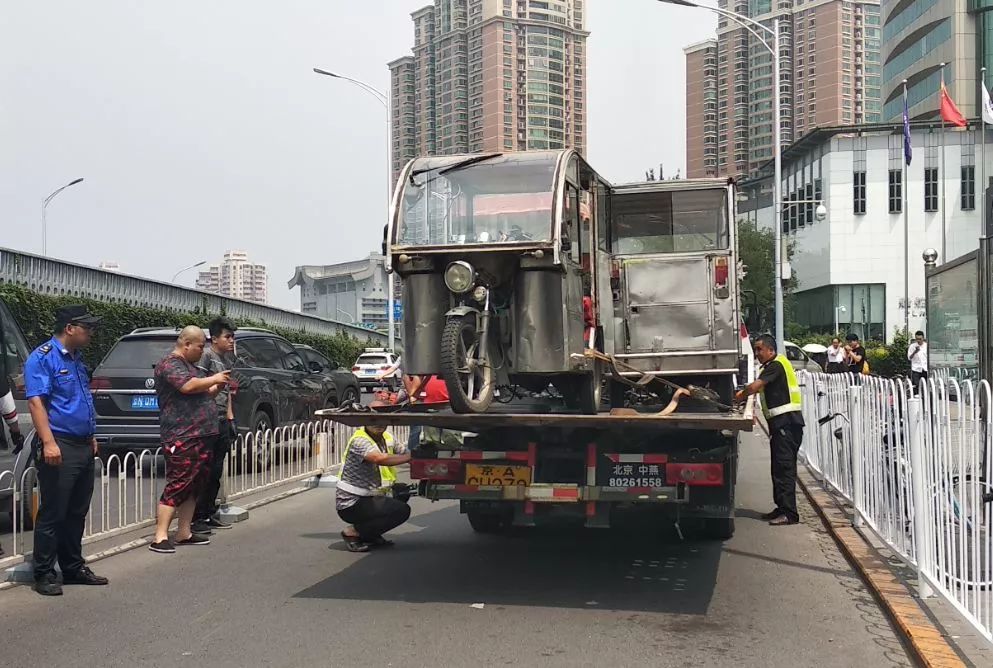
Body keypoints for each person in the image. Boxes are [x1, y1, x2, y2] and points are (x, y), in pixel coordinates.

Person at [25, 305, 109, 595]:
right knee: (53, 512)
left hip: (83, 444)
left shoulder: (77, 359)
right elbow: (36, 403)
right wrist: (48, 442)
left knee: (76, 511)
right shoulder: (42, 358)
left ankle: (72, 568)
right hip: (59, 443)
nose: (91, 334)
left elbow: (80, 400)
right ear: (70, 328)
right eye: (87, 328)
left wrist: (91, 436)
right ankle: (44, 573)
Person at [149, 326, 230, 554]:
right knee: (178, 482)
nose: (201, 350)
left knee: (194, 485)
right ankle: (160, 535)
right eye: (199, 346)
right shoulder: (170, 364)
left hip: (201, 433)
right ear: (186, 344)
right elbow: (187, 386)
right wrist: (212, 378)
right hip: (182, 434)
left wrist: (217, 385)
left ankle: (184, 531)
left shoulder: (192, 367)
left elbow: (202, 393)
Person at [735, 334, 805, 526]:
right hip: (781, 425)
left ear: (771, 350)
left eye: (759, 349)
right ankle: (781, 508)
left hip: (787, 425)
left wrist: (740, 395)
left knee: (785, 469)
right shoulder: (771, 366)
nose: (757, 353)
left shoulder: (776, 365)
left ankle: (790, 514)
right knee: (778, 469)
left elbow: (757, 386)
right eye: (755, 349)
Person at [337, 409, 412, 553]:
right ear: (365, 421)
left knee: (402, 491)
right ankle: (353, 532)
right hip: (352, 503)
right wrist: (411, 457)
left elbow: (404, 451)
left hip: (371, 495)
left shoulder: (387, 437)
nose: (379, 424)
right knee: (401, 511)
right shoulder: (360, 440)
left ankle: (370, 534)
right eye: (373, 420)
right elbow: (379, 459)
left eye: (382, 420)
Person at [192, 317, 238, 534]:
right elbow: (200, 389)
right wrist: (216, 386)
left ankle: (209, 512)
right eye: (227, 337)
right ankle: (197, 517)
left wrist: (230, 418)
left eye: (232, 337)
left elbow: (227, 392)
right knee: (205, 471)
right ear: (215, 338)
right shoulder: (206, 357)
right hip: (206, 421)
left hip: (220, 420)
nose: (231, 341)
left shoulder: (226, 360)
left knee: (217, 470)